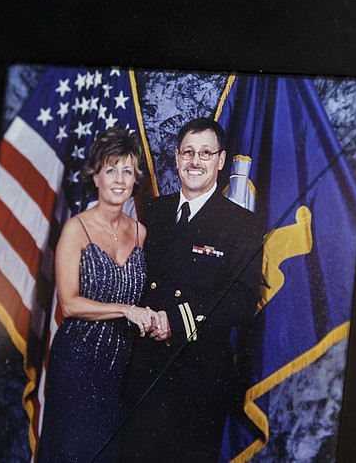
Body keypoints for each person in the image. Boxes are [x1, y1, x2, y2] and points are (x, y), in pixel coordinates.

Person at [121, 118, 265, 462]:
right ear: (176, 157)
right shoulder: (153, 211)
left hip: (199, 378)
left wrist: (176, 320)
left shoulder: (243, 224)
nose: (195, 161)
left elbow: (243, 301)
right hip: (145, 368)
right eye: (188, 152)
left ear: (220, 160)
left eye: (205, 153)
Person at [37, 127, 158, 463]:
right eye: (110, 170)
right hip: (78, 363)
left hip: (121, 367)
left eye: (127, 170)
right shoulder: (76, 228)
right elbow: (69, 303)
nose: (119, 180)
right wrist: (127, 310)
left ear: (136, 178)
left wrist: (150, 316)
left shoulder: (140, 232)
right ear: (95, 176)